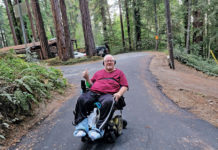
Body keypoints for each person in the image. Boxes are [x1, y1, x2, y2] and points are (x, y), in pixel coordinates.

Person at [73, 54, 128, 141]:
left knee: (109, 101)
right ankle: (81, 126)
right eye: (107, 61)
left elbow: (124, 86)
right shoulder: (98, 73)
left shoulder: (119, 73)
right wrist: (87, 78)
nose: (109, 62)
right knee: (82, 98)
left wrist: (119, 93)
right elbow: (90, 85)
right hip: (94, 92)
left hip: (109, 94)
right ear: (104, 63)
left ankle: (98, 129)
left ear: (114, 63)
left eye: (111, 61)